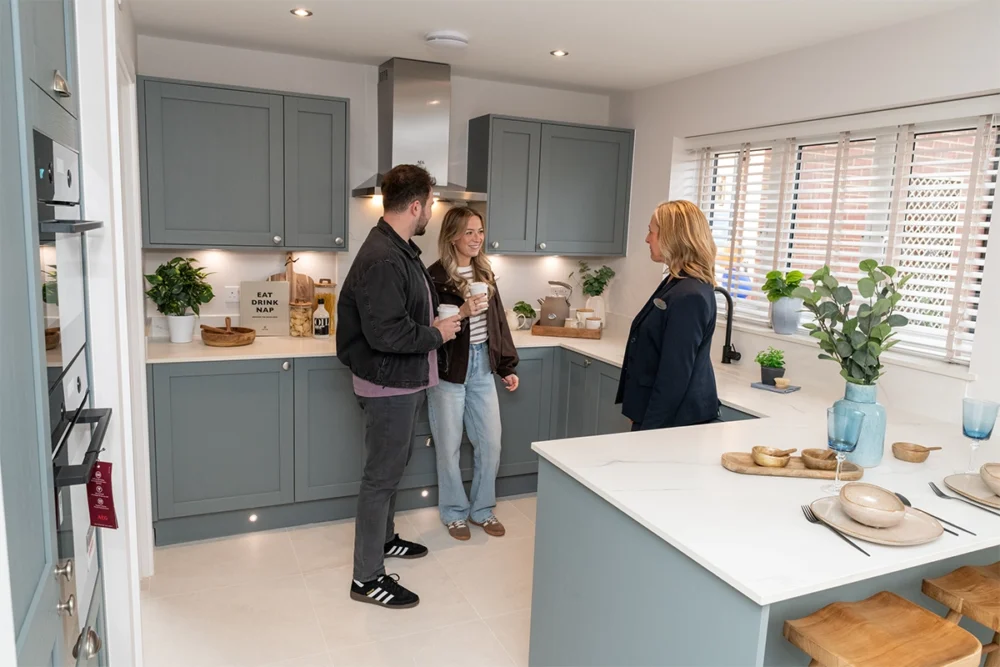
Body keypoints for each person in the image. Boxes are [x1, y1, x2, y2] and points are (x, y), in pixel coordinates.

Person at [337, 164, 462, 609]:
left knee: (390, 471)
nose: (431, 211)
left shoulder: (399, 248)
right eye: (430, 203)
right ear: (415, 205)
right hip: (387, 384)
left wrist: (435, 322)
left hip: (401, 382)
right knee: (381, 478)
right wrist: (439, 334)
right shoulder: (383, 257)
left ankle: (384, 540)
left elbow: (400, 316)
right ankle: (366, 579)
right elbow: (386, 334)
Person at [426, 207, 519, 541]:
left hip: (481, 367)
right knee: (449, 446)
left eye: (480, 231)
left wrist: (506, 366)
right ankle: (453, 513)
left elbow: (498, 323)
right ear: (452, 235)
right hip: (449, 368)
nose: (477, 238)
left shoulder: (486, 274)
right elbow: (428, 329)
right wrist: (464, 310)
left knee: (490, 442)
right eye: (469, 232)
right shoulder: (434, 276)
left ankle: (482, 509)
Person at [616, 200, 720, 431]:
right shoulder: (676, 282)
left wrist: (648, 430)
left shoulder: (689, 295)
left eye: (651, 231)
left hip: (673, 425)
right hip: (661, 417)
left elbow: (674, 375)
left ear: (673, 237)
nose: (647, 239)